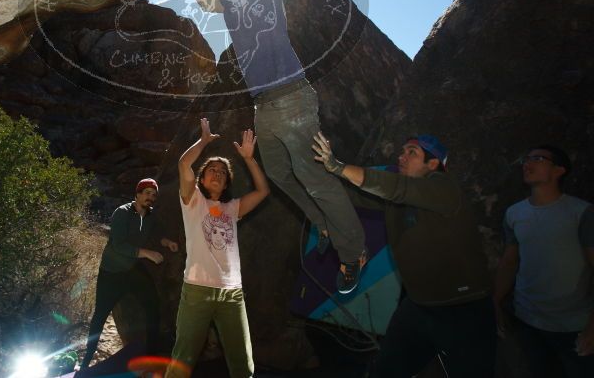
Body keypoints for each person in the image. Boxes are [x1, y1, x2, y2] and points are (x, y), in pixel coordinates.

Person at [182, 0, 366, 294]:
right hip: (265, 106)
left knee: (313, 175)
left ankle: (352, 252)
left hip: (292, 95)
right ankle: (325, 225)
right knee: (281, 175)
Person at [312, 132, 495, 377]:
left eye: (412, 152)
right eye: (402, 151)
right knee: (385, 371)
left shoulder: (444, 187)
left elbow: (395, 187)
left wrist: (339, 167)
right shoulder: (397, 199)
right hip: (419, 305)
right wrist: (312, 175)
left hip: (463, 310)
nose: (402, 156)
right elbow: (354, 195)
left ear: (433, 164)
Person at [165, 118, 270, 378]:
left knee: (243, 365)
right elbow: (183, 163)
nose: (217, 174)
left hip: (232, 295)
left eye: (222, 173)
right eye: (212, 170)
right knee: (182, 360)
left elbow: (263, 190)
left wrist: (248, 159)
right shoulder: (192, 200)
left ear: (226, 184)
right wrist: (203, 141)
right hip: (197, 291)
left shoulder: (232, 208)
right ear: (202, 178)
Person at [493, 145, 594, 377]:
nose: (528, 163)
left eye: (537, 158)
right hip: (528, 320)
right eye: (526, 158)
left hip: (573, 324)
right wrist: (495, 301)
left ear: (559, 170)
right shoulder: (514, 213)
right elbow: (509, 261)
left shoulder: (581, 213)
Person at [79, 178, 178, 370]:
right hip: (111, 273)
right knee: (99, 316)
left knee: (153, 306)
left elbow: (156, 235)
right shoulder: (122, 213)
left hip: (132, 270)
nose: (151, 197)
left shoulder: (150, 216)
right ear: (138, 194)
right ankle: (86, 362)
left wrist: (167, 243)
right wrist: (147, 254)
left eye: (154, 194)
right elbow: (118, 245)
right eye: (147, 193)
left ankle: (152, 356)